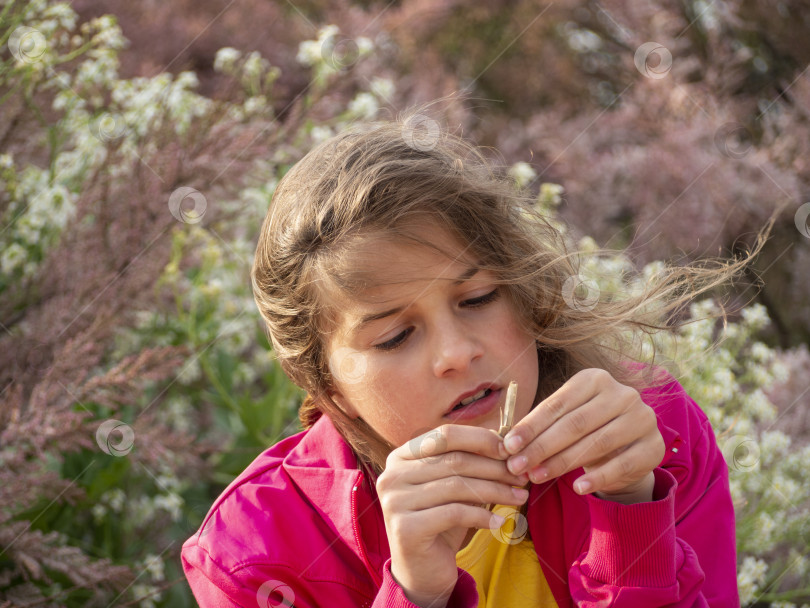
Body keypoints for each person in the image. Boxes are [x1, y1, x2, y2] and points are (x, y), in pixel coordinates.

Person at [181, 108, 766, 607]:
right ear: (331, 389)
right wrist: (417, 593)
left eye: (479, 298)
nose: (458, 353)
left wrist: (632, 511)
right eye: (394, 337)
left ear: (525, 294)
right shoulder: (253, 551)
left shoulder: (653, 436)